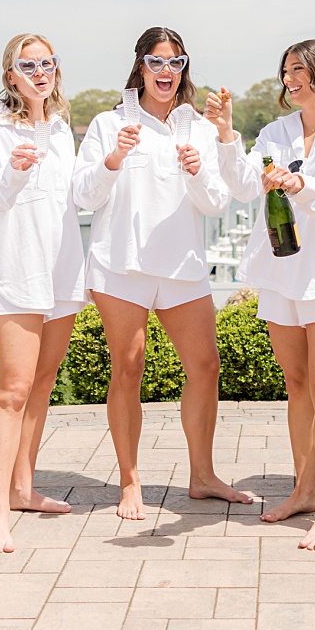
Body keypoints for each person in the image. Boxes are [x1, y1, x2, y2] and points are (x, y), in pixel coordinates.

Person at [72, 26, 253, 521]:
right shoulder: (109, 124)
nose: (166, 72)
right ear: (140, 67)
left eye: (176, 62)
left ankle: (202, 476)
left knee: (205, 367)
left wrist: (198, 170)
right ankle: (130, 482)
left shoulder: (198, 127)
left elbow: (218, 201)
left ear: (184, 68)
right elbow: (83, 196)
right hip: (120, 264)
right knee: (128, 368)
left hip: (182, 266)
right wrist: (113, 159)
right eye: (157, 62)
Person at [206, 40, 315, 550]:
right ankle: (301, 489)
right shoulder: (276, 132)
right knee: (296, 384)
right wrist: (227, 134)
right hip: (281, 272)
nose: (290, 79)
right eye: (286, 71)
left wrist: (298, 185)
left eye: (300, 70)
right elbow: (243, 185)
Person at [0, 34, 86, 553]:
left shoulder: (61, 129)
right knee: (12, 390)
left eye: (48, 63)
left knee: (42, 381)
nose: (40, 72)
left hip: (60, 268)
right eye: (28, 65)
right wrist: (16, 172)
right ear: (10, 75)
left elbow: (74, 197)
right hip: (16, 267)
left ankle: (23, 488)